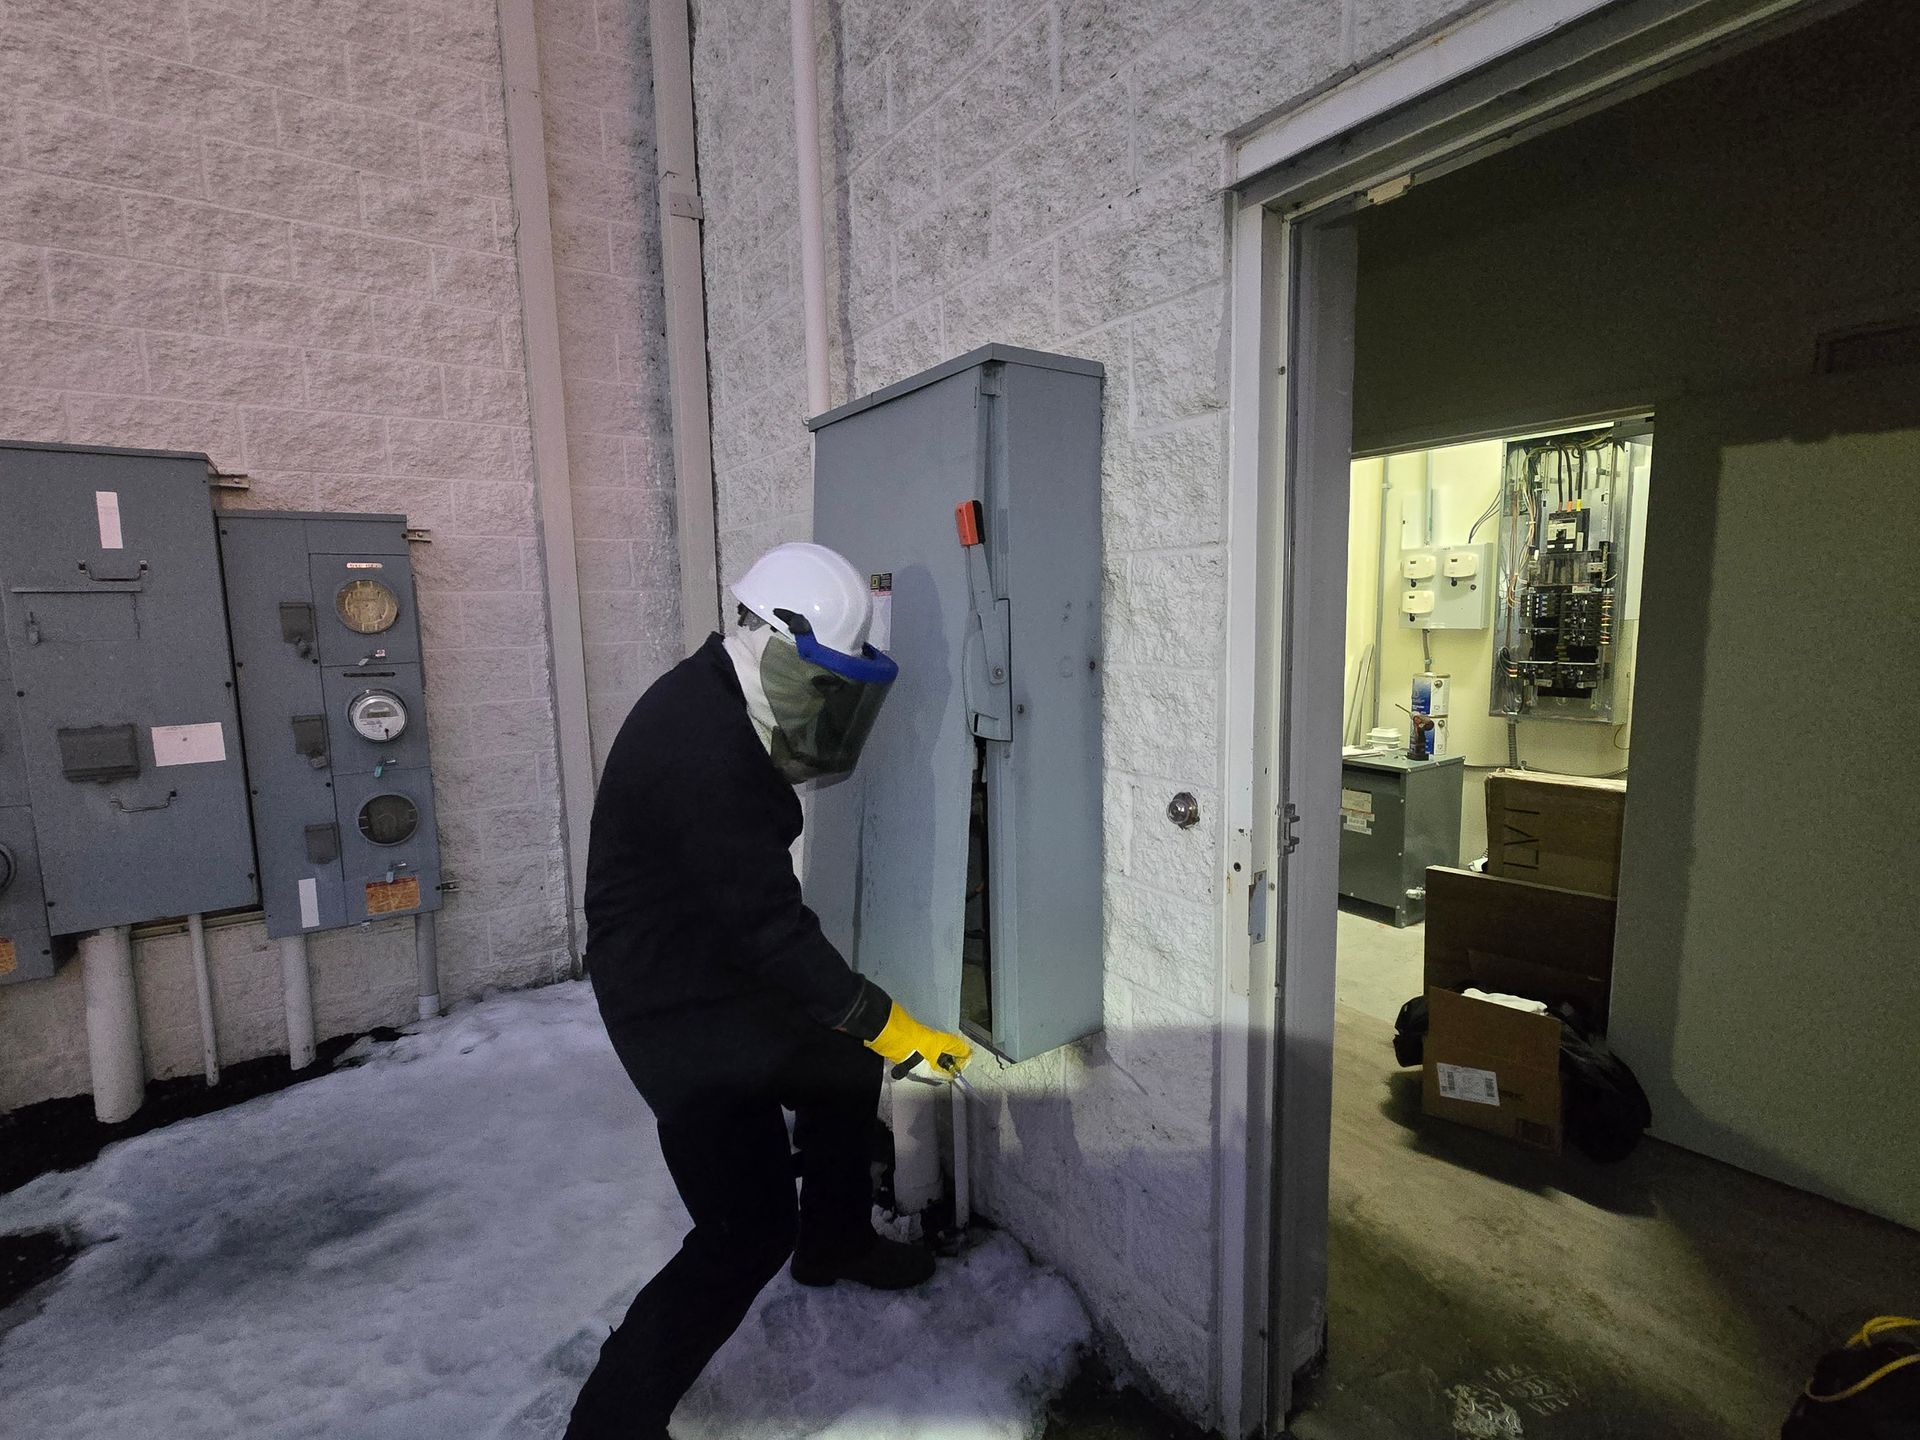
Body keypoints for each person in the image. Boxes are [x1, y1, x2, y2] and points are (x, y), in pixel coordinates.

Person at [566, 541, 973, 1440]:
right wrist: (891, 1023)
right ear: (778, 640)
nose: (828, 702)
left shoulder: (717, 692)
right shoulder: (702, 747)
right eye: (822, 678)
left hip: (713, 964)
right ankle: (609, 1423)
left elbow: (754, 924)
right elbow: (769, 928)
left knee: (836, 1062)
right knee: (745, 1230)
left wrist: (858, 1029)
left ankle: (835, 1238)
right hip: (671, 1005)